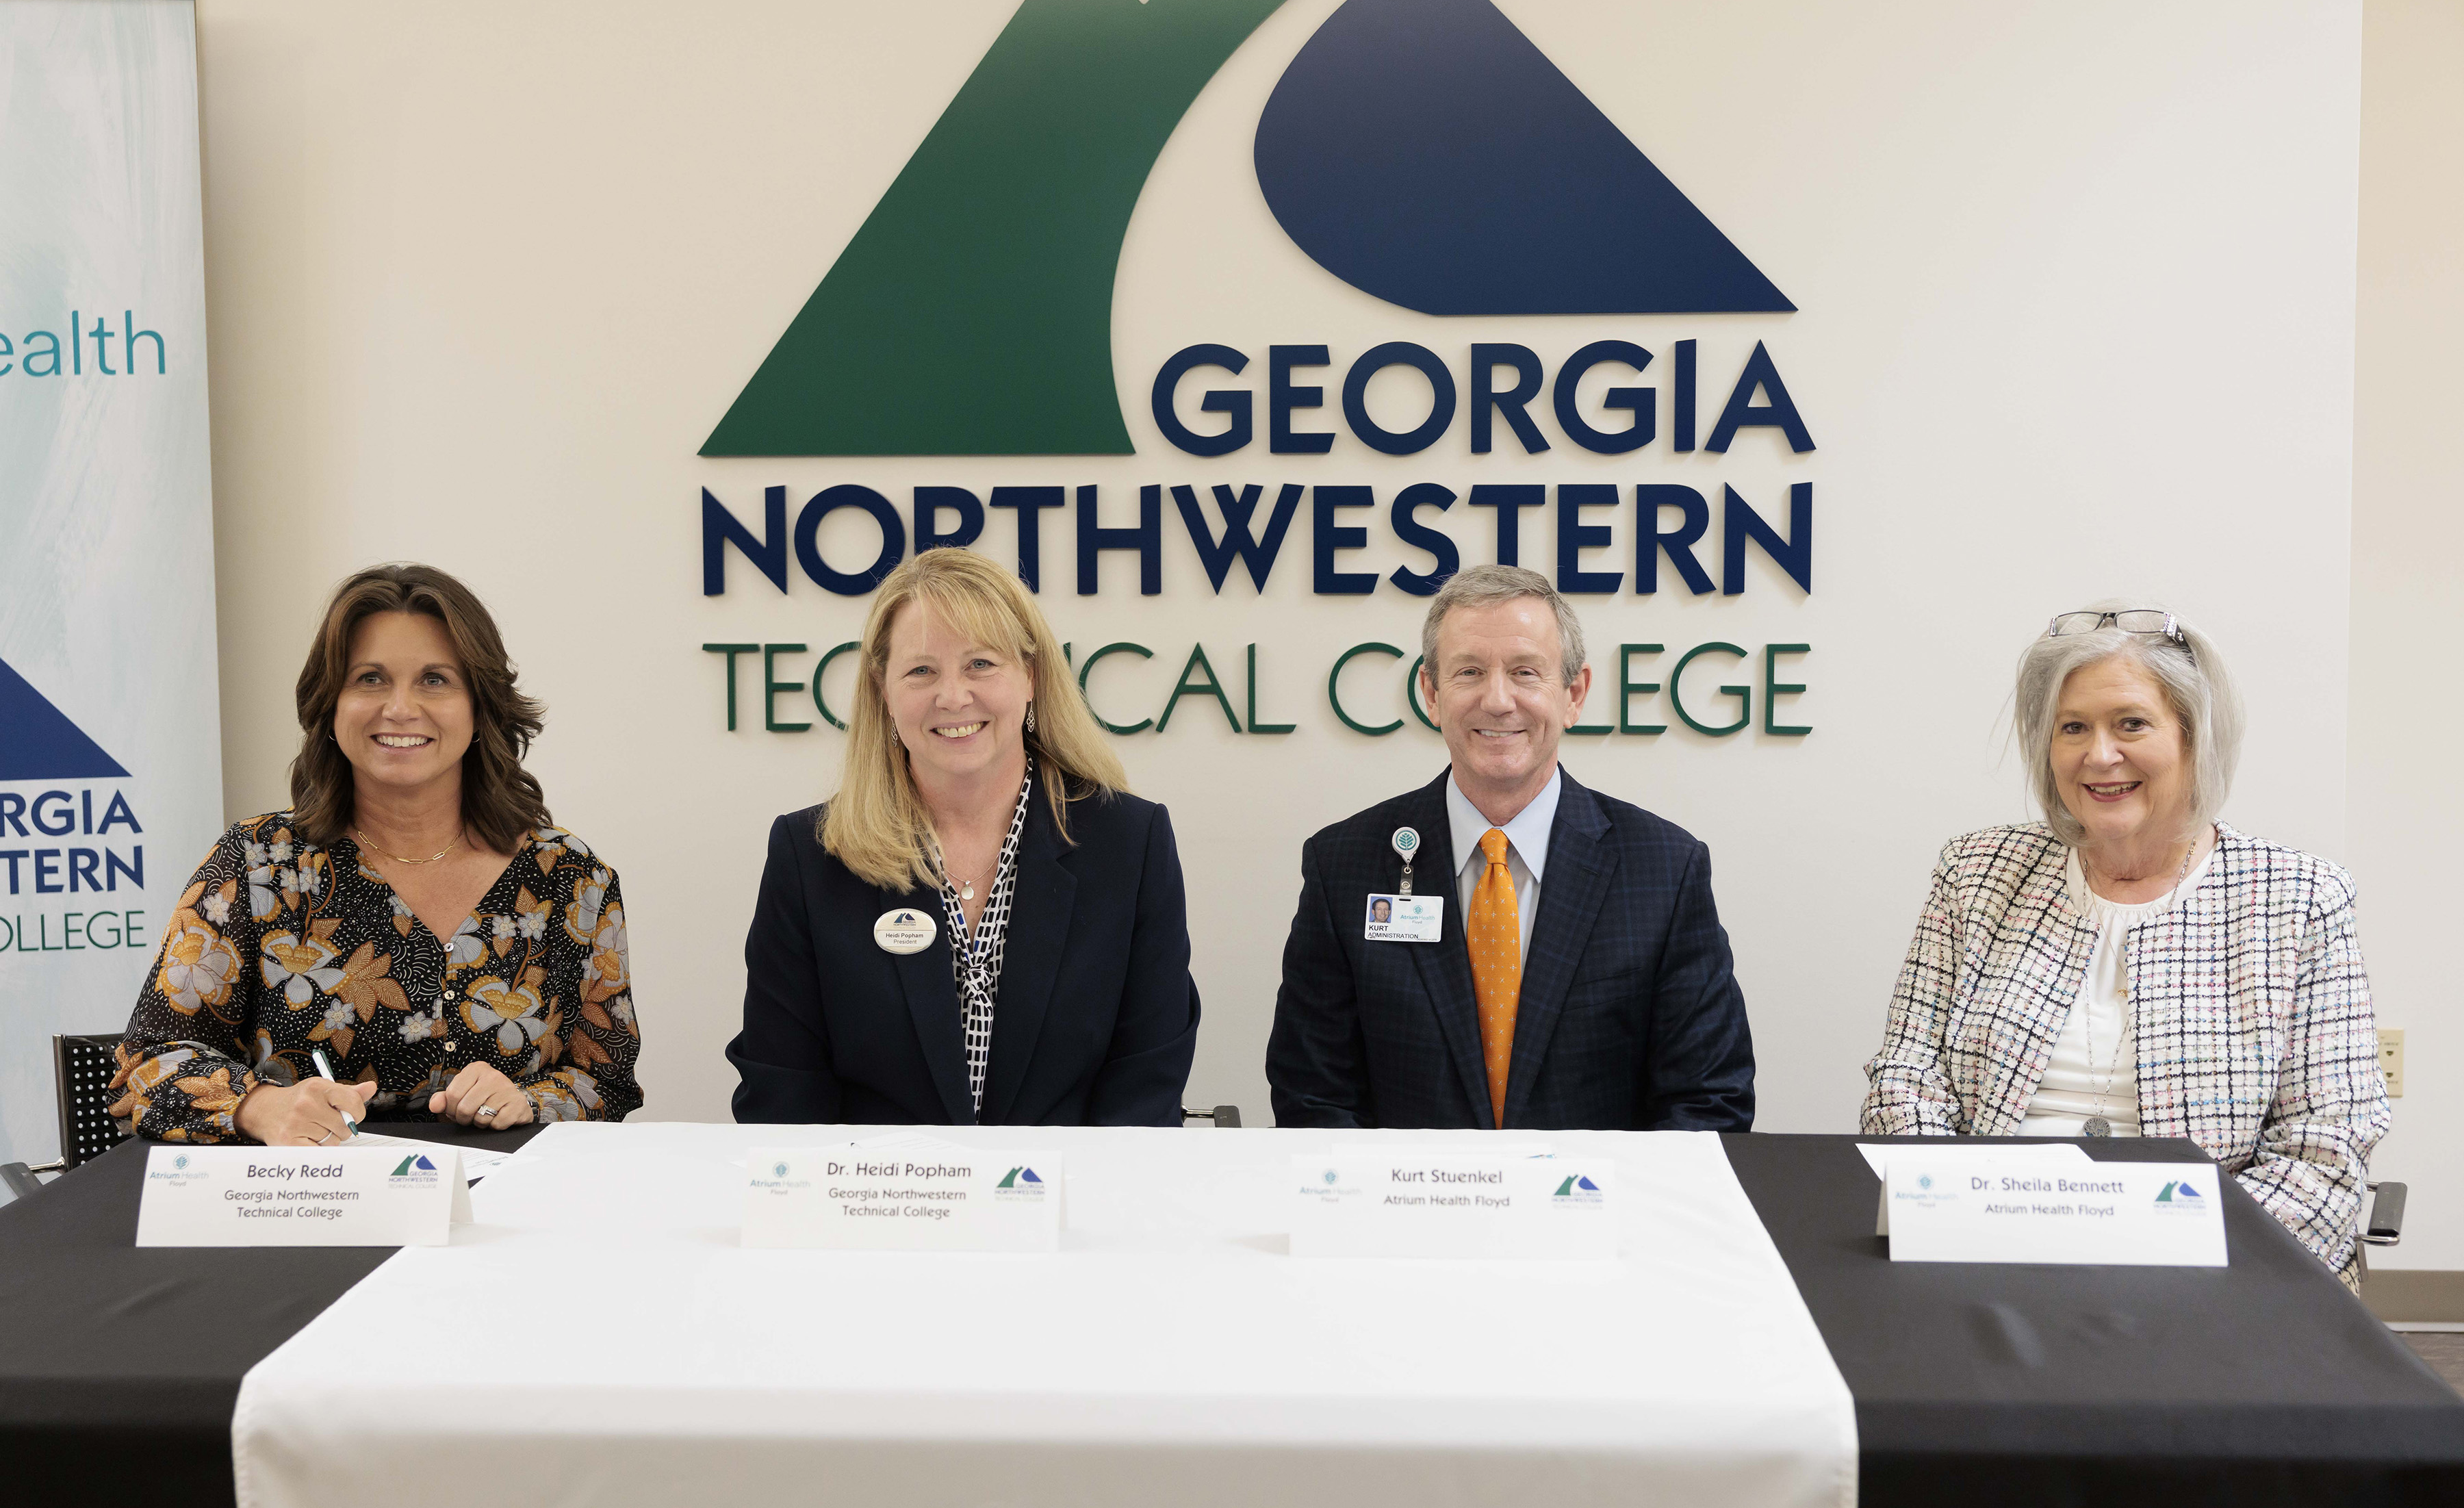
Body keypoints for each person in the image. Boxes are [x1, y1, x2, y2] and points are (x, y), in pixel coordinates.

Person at [1862, 606, 2389, 1282]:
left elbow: (2324, 1151)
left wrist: (2146, 1246)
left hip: (2211, 1276)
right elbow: (1906, 1077)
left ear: (2196, 738)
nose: (2099, 755)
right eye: (2073, 727)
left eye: (2131, 724)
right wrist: (1949, 1219)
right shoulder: (1977, 871)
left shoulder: (2300, 896)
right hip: (1988, 1257)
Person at [112, 565, 642, 1144]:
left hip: (505, 1213)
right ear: (331, 706)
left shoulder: (570, 879)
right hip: (305, 1207)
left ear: (480, 707)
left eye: (435, 680)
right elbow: (148, 1065)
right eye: (370, 679)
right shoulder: (258, 865)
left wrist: (527, 1100)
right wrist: (261, 1108)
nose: (400, 708)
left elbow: (605, 1081)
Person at [1266, 565, 1755, 1129]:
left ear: (1573, 694)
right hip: (1405, 1211)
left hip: (1596, 1212)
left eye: (1526, 672)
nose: (1498, 700)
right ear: (1432, 692)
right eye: (1470, 671)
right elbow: (1313, 1097)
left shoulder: (1666, 871)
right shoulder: (1343, 865)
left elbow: (1708, 1102)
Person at [727, 548, 1198, 1125]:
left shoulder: (1130, 843)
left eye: (980, 664)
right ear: (883, 689)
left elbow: (1144, 1084)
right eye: (921, 670)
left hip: (1070, 1203)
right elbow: (783, 1089)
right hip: (877, 1205)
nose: (952, 696)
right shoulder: (811, 855)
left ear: (1031, 675)